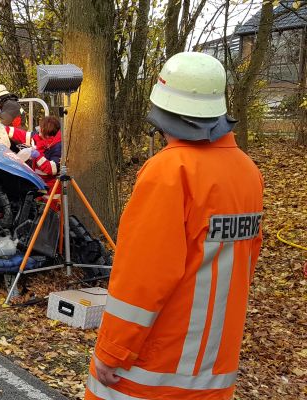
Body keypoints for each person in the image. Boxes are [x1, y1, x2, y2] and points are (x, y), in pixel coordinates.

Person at [86, 52, 263, 400]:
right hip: (214, 372)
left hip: (151, 373)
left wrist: (112, 350)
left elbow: (143, 276)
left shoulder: (169, 172)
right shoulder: (247, 172)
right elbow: (245, 266)